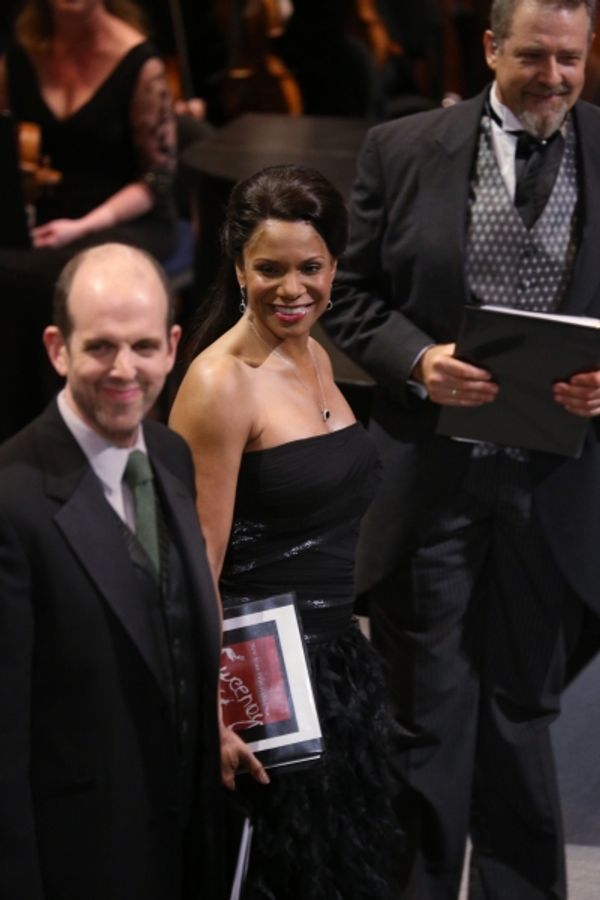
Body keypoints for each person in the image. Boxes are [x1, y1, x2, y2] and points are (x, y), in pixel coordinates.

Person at [322, 0, 600, 897]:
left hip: (557, 493)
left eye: (570, 58)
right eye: (532, 57)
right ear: (490, 48)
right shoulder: (400, 151)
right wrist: (418, 361)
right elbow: (351, 296)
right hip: (431, 484)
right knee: (426, 722)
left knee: (523, 719)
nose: (552, 77)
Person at [168, 163, 404, 900]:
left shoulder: (317, 356)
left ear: (336, 265)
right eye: (270, 269)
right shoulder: (218, 384)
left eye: (311, 267)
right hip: (264, 687)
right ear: (238, 267)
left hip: (339, 667)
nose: (293, 289)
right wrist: (207, 708)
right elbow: (194, 562)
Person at [0, 243, 223, 900]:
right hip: (82, 862)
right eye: (100, 347)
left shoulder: (174, 457)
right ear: (57, 348)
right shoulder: (11, 506)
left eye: (144, 346)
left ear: (173, 346)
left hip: (183, 844)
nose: (125, 369)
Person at [0, 0, 178, 439]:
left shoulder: (139, 61)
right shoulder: (22, 51)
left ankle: (43, 433)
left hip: (126, 217)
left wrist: (85, 225)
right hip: (45, 217)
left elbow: (157, 178)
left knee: (37, 277)